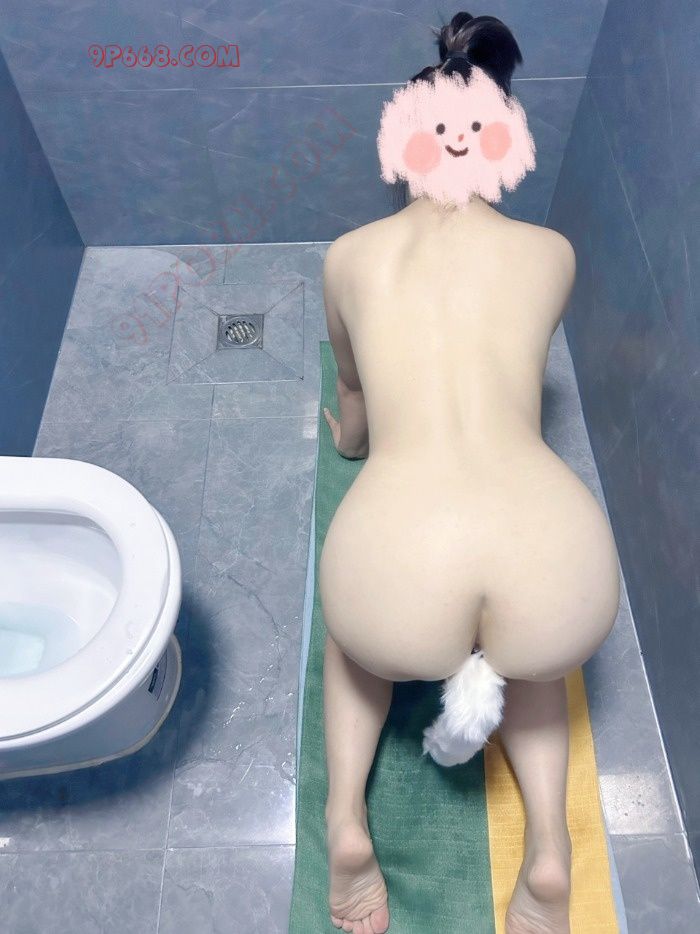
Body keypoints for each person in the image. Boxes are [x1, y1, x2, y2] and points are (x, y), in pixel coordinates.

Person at [318, 12, 621, 934]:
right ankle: (550, 857)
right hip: (558, 560)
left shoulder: (349, 259)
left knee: (354, 645)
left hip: (400, 566)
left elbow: (355, 401)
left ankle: (345, 825)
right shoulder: (552, 255)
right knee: (531, 658)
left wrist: (349, 445)